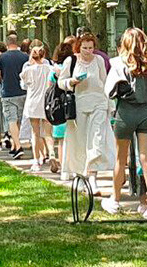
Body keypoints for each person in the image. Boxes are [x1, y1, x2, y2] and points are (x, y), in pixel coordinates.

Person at [102, 27, 147, 220]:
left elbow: (110, 91)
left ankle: (115, 200)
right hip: (145, 114)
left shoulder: (118, 65)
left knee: (120, 159)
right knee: (146, 159)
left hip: (125, 113)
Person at [60, 32, 113, 193]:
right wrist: (72, 82)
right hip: (79, 105)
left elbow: (105, 82)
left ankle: (93, 178)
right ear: (78, 47)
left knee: (96, 141)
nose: (88, 51)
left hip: (99, 104)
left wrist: (110, 105)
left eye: (91, 48)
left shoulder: (98, 60)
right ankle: (80, 176)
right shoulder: (72, 61)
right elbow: (61, 82)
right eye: (85, 48)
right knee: (79, 141)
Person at [21, 45, 55, 171]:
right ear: (44, 55)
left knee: (35, 133)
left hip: (33, 103)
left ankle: (36, 160)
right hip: (46, 102)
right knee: (48, 133)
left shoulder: (28, 70)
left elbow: (24, 85)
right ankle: (51, 153)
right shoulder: (50, 69)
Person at [0, 35, 29, 158]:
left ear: (7, 43)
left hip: (8, 92)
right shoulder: (25, 56)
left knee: (11, 120)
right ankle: (15, 145)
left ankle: (18, 146)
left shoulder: (2, 57)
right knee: (18, 120)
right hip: (22, 92)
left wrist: (4, 81)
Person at [49, 37, 76, 180]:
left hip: (58, 107)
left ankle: (63, 166)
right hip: (69, 106)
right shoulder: (71, 67)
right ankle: (69, 166)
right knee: (69, 139)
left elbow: (49, 88)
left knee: (61, 140)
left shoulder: (54, 70)